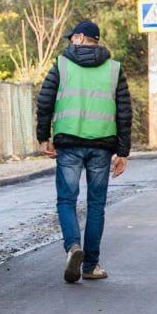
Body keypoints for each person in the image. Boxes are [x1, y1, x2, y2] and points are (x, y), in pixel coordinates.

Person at [35, 20, 132, 283]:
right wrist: (123, 152)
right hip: (101, 147)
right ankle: (90, 265)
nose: (69, 43)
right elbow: (124, 112)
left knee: (66, 200)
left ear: (79, 38)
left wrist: (43, 136)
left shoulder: (61, 65)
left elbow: (44, 101)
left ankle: (73, 247)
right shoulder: (114, 69)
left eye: (71, 38)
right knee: (96, 205)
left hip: (69, 144)